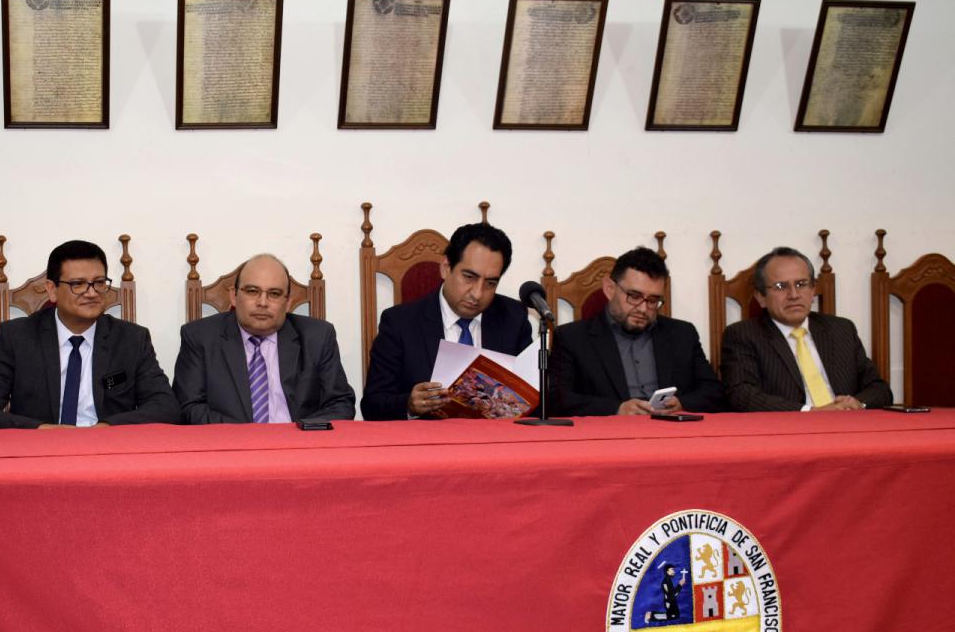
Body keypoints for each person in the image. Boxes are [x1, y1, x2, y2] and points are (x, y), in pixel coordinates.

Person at [0, 240, 179, 430]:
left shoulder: (131, 339)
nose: (91, 292)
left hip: (109, 450)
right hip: (38, 452)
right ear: (52, 290)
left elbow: (165, 407)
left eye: (99, 283)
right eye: (78, 284)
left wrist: (107, 427)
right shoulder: (17, 338)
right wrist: (41, 429)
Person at [361, 222, 532, 421]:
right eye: (469, 277)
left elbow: (534, 397)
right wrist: (409, 404)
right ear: (445, 268)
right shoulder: (400, 323)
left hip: (496, 442)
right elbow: (372, 405)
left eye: (490, 283)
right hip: (428, 445)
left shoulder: (513, 317)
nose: (477, 294)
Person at [173, 254, 355, 424]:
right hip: (231, 448)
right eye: (252, 291)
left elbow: (340, 403)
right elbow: (188, 407)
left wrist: (299, 434)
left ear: (288, 302)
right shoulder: (200, 337)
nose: (262, 302)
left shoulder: (318, 336)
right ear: (234, 296)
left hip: (298, 447)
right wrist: (247, 437)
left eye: (274, 294)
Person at [552, 247, 724, 416]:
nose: (643, 308)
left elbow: (714, 392)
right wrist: (617, 409)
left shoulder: (683, 334)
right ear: (610, 289)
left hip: (672, 435)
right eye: (634, 296)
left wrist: (681, 404)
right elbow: (557, 400)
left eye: (653, 300)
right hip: (610, 436)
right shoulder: (572, 338)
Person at [720, 247, 891, 411]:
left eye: (801, 284)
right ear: (761, 297)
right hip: (789, 431)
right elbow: (741, 395)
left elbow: (879, 389)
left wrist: (857, 404)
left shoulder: (841, 329)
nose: (794, 295)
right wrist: (812, 412)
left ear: (813, 290)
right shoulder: (743, 335)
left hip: (849, 424)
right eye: (781, 287)